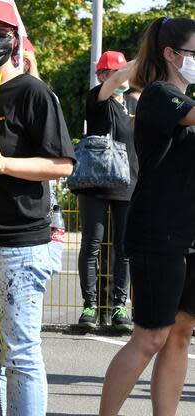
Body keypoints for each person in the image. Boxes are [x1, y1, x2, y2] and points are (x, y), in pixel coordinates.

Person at [0, 2, 75, 415]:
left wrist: (5, 164)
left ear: (14, 39)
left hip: (18, 246)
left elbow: (62, 164)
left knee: (21, 356)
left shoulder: (32, 92)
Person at [99, 17, 195, 416]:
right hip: (158, 232)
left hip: (189, 233)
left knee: (181, 333)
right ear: (172, 55)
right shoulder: (159, 94)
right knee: (151, 335)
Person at [76, 50, 138, 332]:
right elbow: (112, 85)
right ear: (102, 76)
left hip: (128, 183)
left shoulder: (134, 103)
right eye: (112, 73)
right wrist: (143, 58)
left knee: (125, 248)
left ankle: (118, 307)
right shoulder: (97, 98)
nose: (119, 78)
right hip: (96, 182)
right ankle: (90, 305)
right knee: (92, 243)